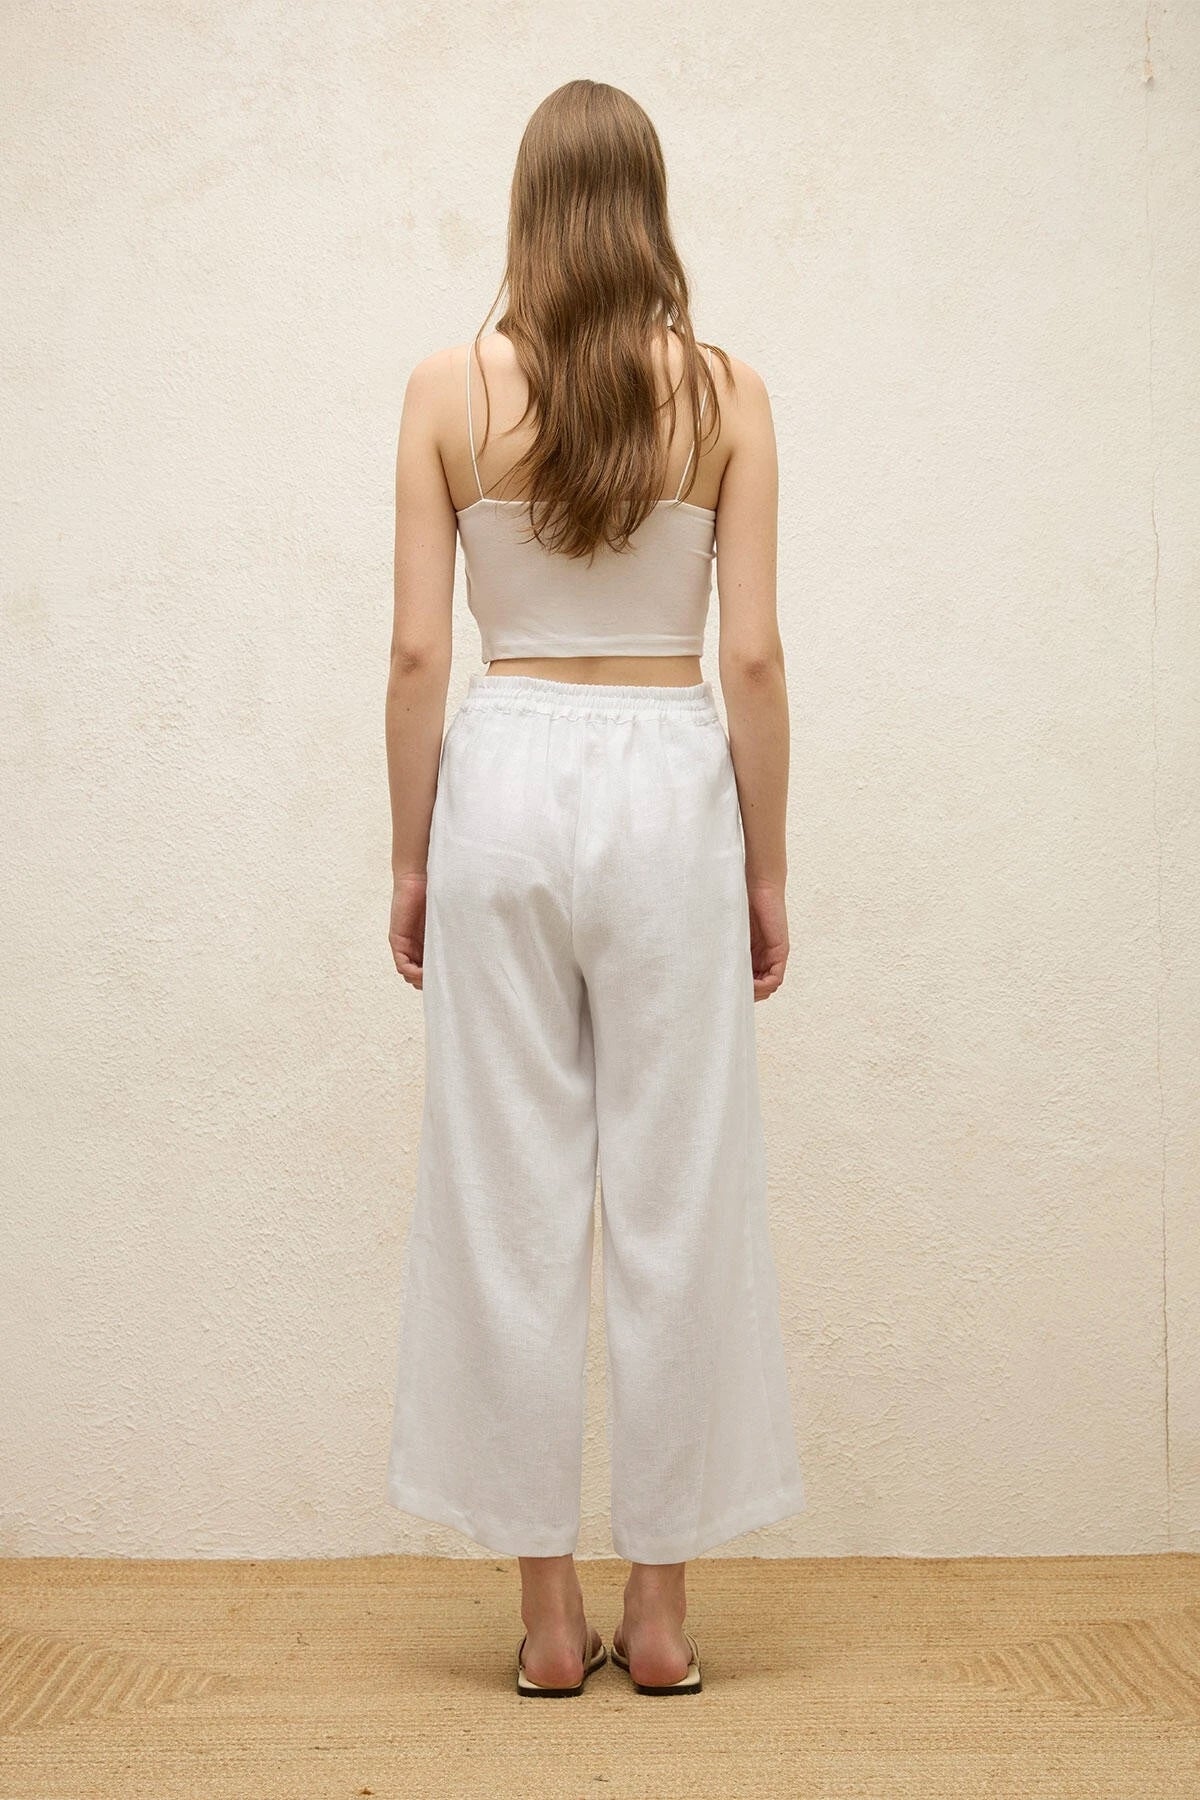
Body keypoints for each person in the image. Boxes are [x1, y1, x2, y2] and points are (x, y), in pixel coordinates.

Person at [383, 78, 805, 1698]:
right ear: (648, 208)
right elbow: (751, 658)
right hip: (668, 781)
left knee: (509, 1192)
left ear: (529, 206)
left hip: (500, 779)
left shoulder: (444, 389)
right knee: (676, 1191)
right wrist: (766, 861)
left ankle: (550, 1621)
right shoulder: (727, 394)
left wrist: (411, 852)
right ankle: (664, 1613)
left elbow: (418, 652)